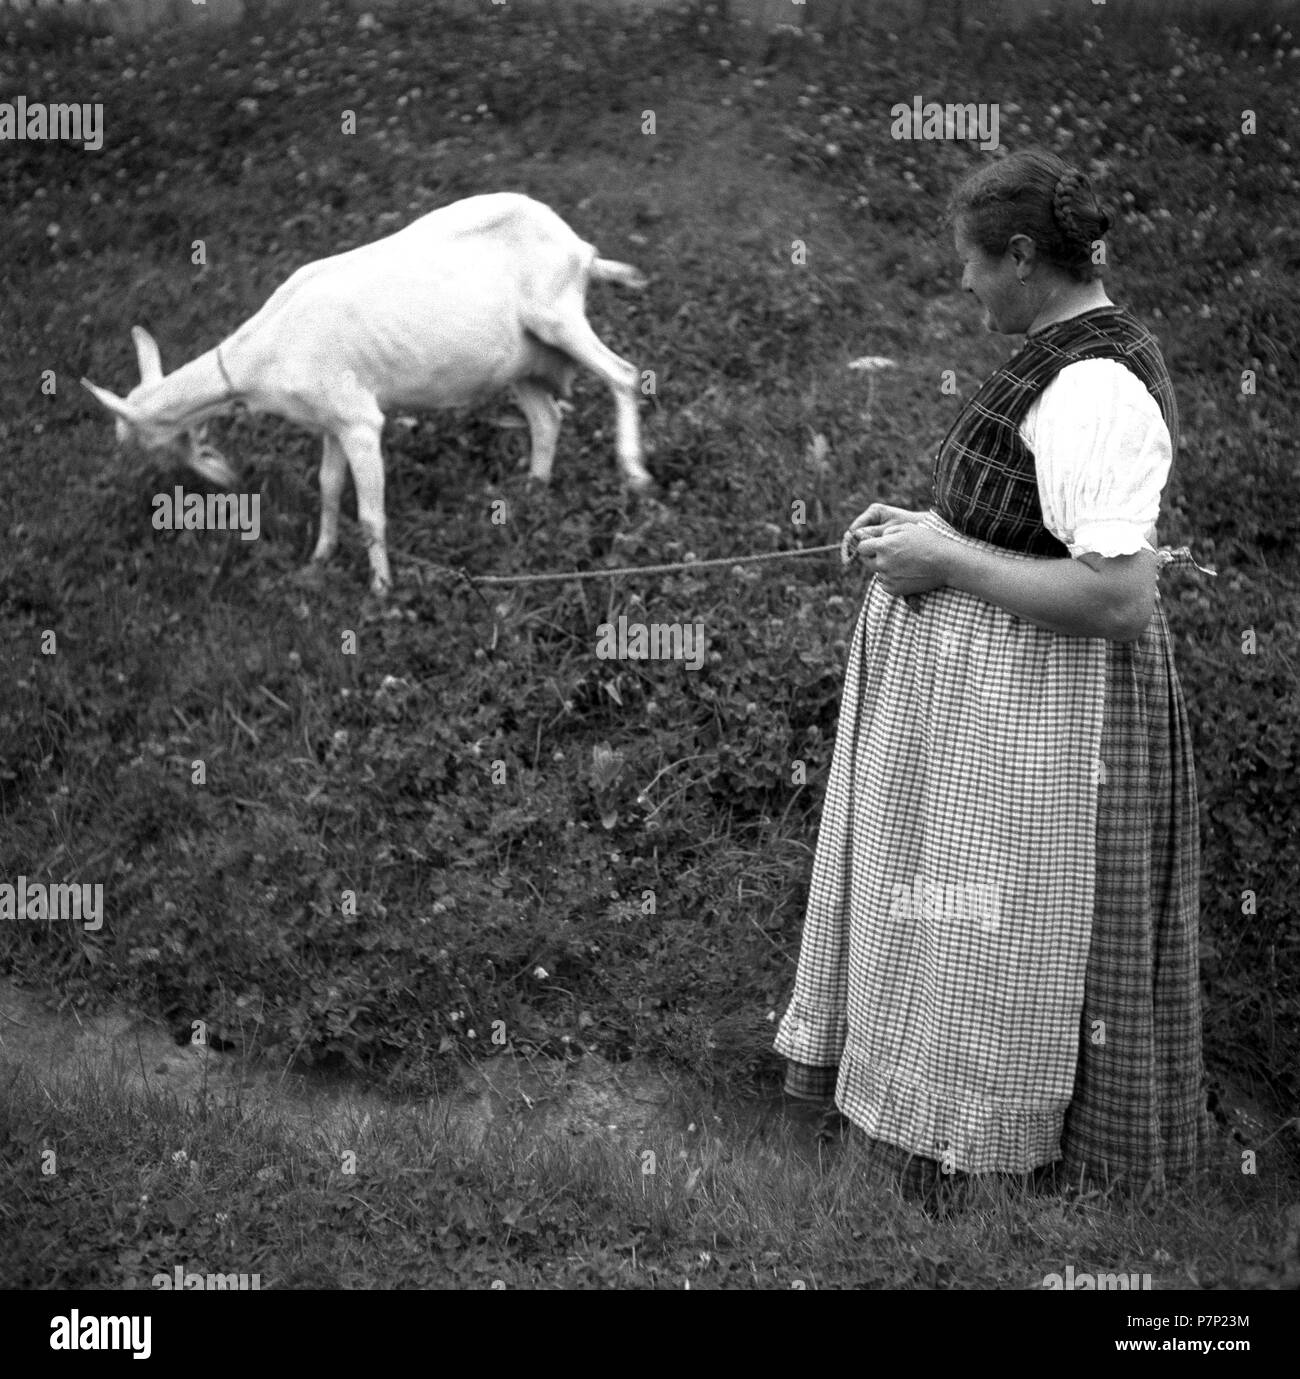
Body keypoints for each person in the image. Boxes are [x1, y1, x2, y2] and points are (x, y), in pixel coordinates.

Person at [775, 148, 1211, 1204]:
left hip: (1050, 720)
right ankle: (928, 1139)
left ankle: (993, 1171)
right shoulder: (1050, 349)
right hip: (987, 702)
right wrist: (928, 527)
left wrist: (947, 561)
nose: (962, 284)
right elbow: (1021, 522)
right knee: (951, 925)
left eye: (970, 263)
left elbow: (1116, 597)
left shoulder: (1097, 384)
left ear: (1022, 257)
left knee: (1006, 936)